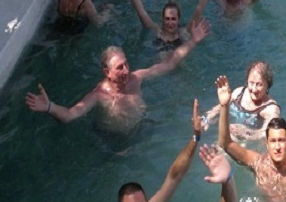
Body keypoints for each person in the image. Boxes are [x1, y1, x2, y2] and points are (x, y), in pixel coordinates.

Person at [25, 24, 209, 132]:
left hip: (142, 128)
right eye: (120, 68)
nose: (126, 70)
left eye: (126, 64)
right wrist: (49, 107)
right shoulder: (99, 94)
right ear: (107, 72)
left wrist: (193, 41)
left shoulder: (136, 78)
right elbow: (70, 115)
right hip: (115, 142)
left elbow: (170, 64)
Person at [203, 60, 280, 141]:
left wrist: (246, 132)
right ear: (247, 81)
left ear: (267, 85)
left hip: (247, 141)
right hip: (230, 134)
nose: (254, 89)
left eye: (259, 84)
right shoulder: (239, 93)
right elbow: (221, 106)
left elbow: (268, 133)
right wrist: (208, 119)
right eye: (251, 83)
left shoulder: (270, 109)